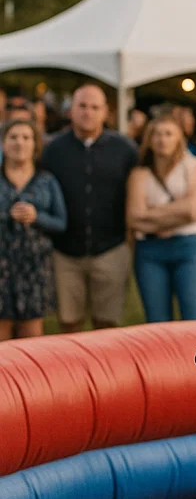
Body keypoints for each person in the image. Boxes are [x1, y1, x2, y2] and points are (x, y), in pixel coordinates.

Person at [39, 83, 139, 331]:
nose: (88, 112)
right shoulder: (53, 149)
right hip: (65, 252)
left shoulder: (125, 149)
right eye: (82, 106)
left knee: (106, 326)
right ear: (70, 110)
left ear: (105, 112)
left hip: (110, 249)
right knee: (69, 325)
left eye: (95, 107)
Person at [126, 116, 196, 322]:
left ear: (179, 138)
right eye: (156, 134)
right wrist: (177, 212)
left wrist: (150, 213)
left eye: (168, 133)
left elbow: (193, 211)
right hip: (150, 251)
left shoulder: (193, 166)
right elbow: (134, 218)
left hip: (188, 246)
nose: (162, 139)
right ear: (149, 139)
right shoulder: (139, 174)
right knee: (157, 322)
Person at [0, 119, 66, 340]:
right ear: (3, 143)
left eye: (26, 137)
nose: (20, 143)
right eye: (13, 137)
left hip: (34, 269)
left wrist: (38, 217)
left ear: (35, 144)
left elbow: (61, 223)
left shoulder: (47, 181)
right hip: (2, 267)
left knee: (32, 338)